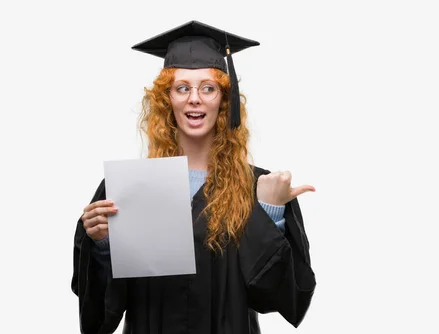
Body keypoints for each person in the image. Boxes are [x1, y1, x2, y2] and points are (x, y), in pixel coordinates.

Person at [71, 20, 316, 334]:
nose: (194, 98)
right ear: (166, 100)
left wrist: (270, 213)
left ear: (223, 101)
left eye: (208, 88)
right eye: (182, 88)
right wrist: (103, 244)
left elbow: (281, 299)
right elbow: (101, 314)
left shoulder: (257, 188)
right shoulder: (128, 188)